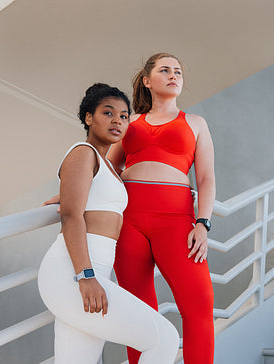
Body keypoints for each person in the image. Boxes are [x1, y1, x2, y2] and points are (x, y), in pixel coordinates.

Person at [38, 83, 179, 364]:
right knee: (164, 338)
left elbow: (88, 198)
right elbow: (71, 215)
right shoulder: (83, 152)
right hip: (73, 272)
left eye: (124, 116)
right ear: (89, 117)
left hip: (93, 271)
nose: (117, 121)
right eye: (108, 113)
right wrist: (86, 276)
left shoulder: (106, 165)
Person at [106, 53, 216, 364]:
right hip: (130, 219)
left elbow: (206, 178)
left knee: (199, 305)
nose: (173, 75)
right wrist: (70, 192)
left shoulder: (195, 123)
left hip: (177, 220)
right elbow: (106, 167)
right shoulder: (129, 123)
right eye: (164, 70)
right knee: (138, 310)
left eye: (178, 71)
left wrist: (203, 223)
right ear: (147, 80)